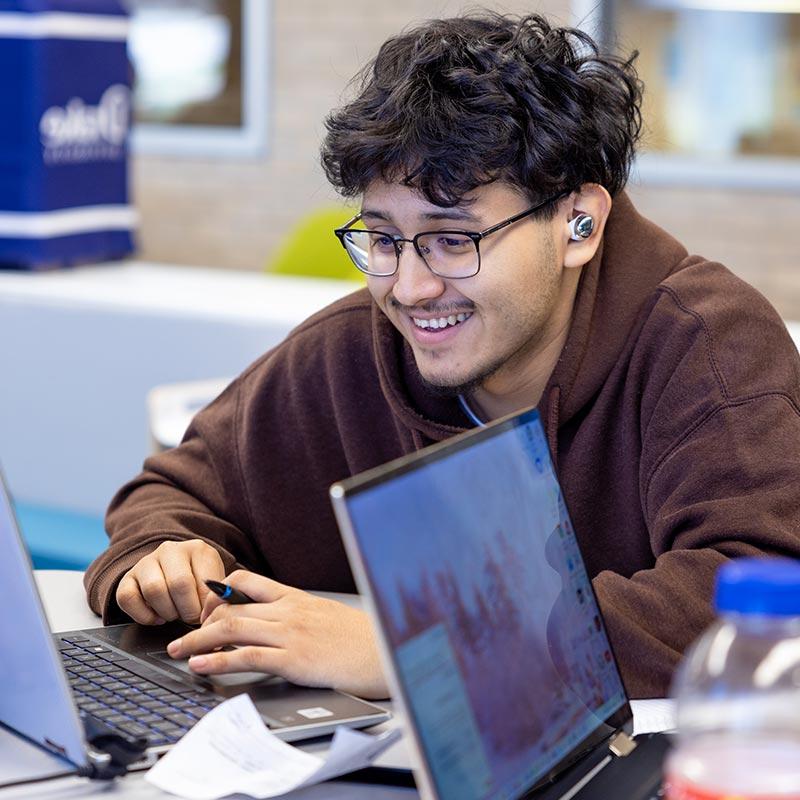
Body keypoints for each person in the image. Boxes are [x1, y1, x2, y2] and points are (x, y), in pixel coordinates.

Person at [84, 12, 800, 700]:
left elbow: (756, 597)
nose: (410, 287)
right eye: (384, 239)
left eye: (453, 239)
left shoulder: (708, 343)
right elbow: (171, 496)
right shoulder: (347, 351)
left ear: (579, 224)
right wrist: (164, 557)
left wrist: (414, 655)